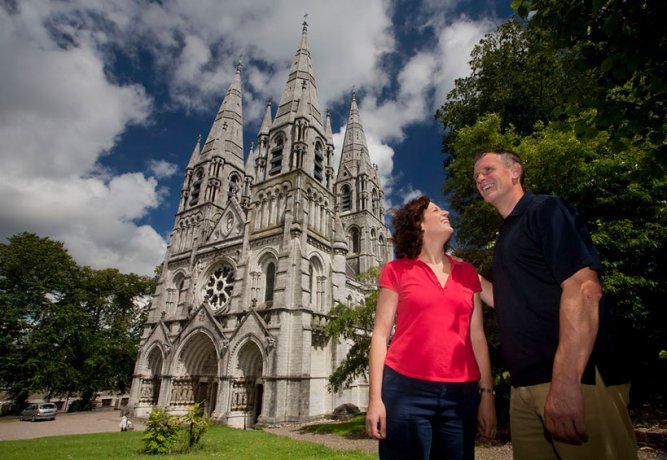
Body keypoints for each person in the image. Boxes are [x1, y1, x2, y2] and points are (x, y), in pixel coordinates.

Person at [473, 150, 637, 459]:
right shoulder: (508, 233)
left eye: (488, 169)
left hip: (575, 379)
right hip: (526, 387)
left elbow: (585, 289)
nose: (480, 178)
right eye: (476, 176)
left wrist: (566, 381)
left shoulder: (546, 209)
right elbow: (507, 302)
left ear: (514, 172)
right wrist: (464, 272)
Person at [366, 195, 496, 460]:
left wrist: (487, 394)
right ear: (420, 224)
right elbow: (380, 335)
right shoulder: (396, 270)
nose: (445, 211)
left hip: (461, 393)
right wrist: (375, 399)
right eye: (436, 210)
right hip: (405, 390)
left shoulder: (468, 273)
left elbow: (477, 336)